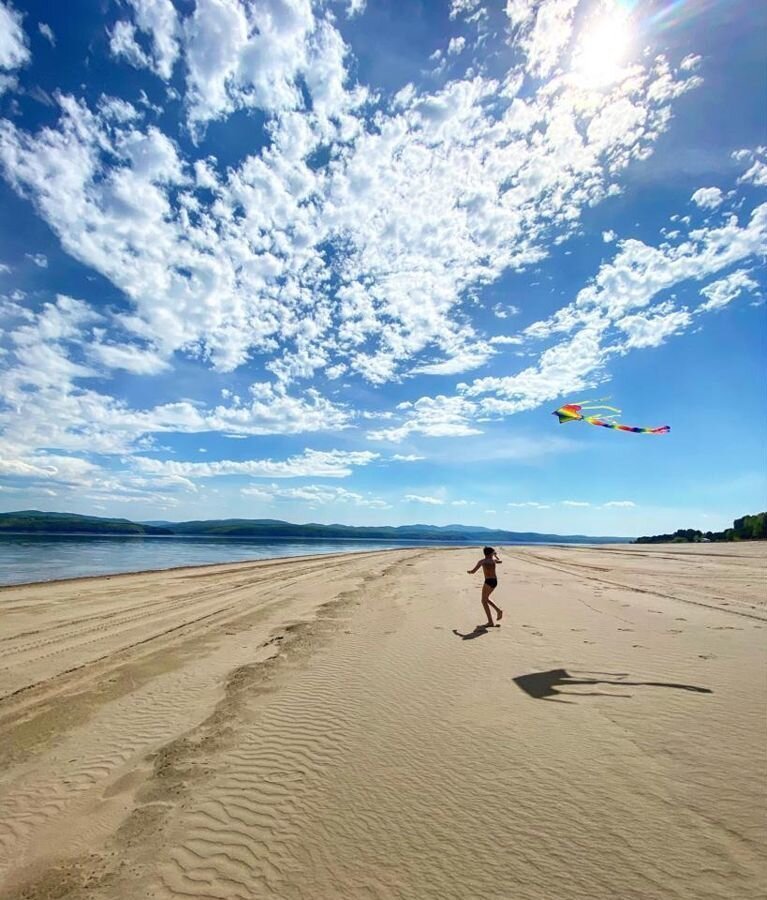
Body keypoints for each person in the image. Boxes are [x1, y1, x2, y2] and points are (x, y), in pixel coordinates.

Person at [467, 546, 503, 627]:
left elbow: (473, 572)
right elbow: (500, 561)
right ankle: (498, 611)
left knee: (484, 601)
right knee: (486, 599)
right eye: (493, 552)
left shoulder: (482, 561)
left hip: (488, 581)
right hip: (495, 581)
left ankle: (491, 621)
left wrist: (469, 572)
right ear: (491, 553)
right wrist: (495, 555)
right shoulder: (493, 560)